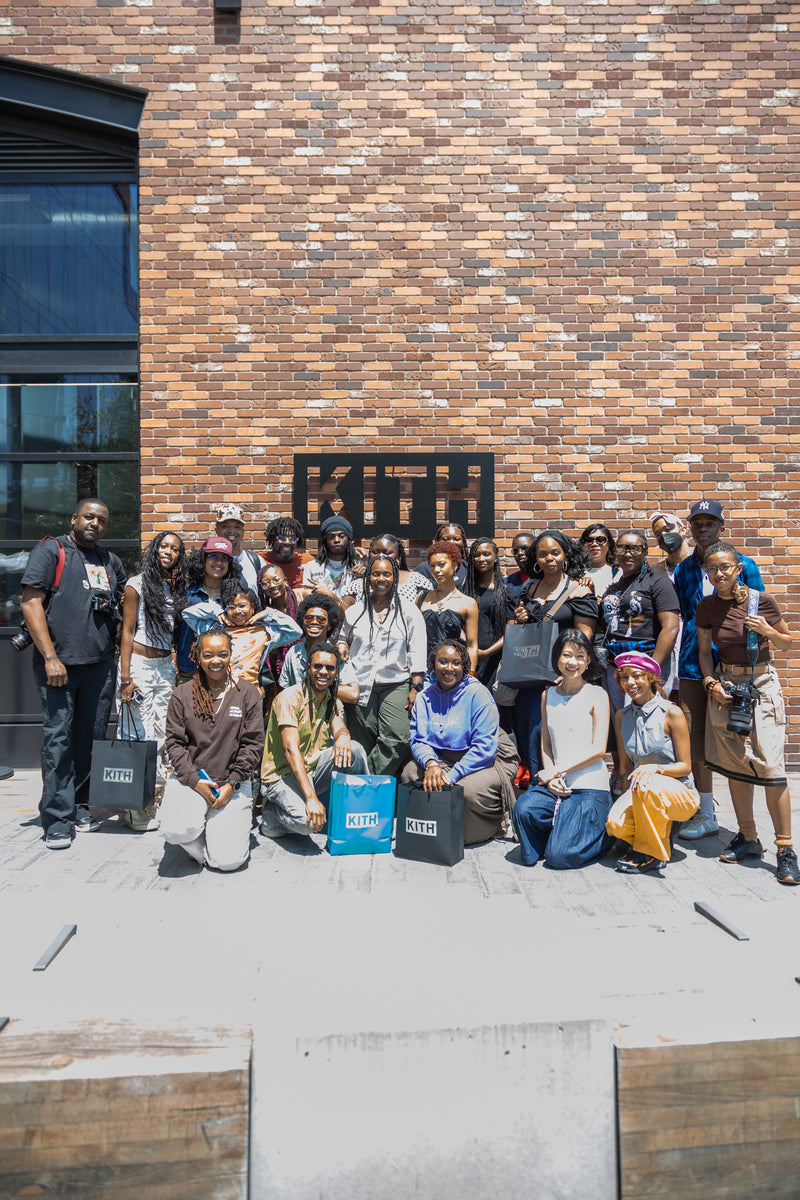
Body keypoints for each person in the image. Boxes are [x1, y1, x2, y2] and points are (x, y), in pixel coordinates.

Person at [20, 499, 127, 848]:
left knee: (89, 739)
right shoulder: (52, 550)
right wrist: (50, 657)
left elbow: (121, 607)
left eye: (102, 520)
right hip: (60, 666)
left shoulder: (109, 561)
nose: (95, 523)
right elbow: (30, 601)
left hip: (99, 666)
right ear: (74, 518)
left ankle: (80, 806)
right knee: (59, 741)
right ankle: (57, 818)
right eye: (89, 517)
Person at [696, 542, 799, 885]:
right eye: (712, 568)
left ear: (738, 568)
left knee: (770, 766)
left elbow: (787, 642)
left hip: (762, 684)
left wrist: (767, 631)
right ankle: (749, 838)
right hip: (727, 686)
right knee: (736, 765)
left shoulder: (761, 601)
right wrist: (711, 683)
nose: (719, 573)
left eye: (725, 567)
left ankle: (785, 849)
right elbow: (704, 652)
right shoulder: (706, 606)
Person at [673, 499, 764, 841]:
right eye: (697, 523)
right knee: (694, 737)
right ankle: (706, 813)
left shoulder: (744, 564)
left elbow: (756, 613)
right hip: (694, 662)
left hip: (734, 663)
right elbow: (688, 615)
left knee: (738, 739)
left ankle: (746, 827)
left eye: (710, 522)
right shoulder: (684, 570)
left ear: (722, 527)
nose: (703, 528)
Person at [161, 628, 263, 870]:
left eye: (222, 654)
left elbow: (253, 744)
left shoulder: (247, 693)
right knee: (175, 830)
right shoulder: (182, 694)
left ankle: (217, 831)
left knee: (228, 862)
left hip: (232, 784)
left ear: (230, 655)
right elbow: (174, 743)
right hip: (191, 780)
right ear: (197, 656)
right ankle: (202, 844)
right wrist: (195, 781)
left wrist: (233, 784)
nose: (215, 660)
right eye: (208, 655)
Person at [402, 640, 519, 845]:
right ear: (432, 664)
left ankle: (494, 823)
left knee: (463, 790)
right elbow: (419, 740)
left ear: (464, 666)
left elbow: (484, 748)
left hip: (487, 760)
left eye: (456, 663)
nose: (449, 668)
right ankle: (434, 824)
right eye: (443, 661)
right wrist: (431, 765)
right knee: (410, 774)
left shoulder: (478, 694)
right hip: (442, 758)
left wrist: (450, 776)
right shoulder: (423, 698)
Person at [512, 629, 612, 868]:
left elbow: (599, 749)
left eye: (580, 656)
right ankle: (560, 830)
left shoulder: (597, 694)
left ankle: (604, 837)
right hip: (558, 784)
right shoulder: (547, 695)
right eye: (566, 655)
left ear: (588, 660)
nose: (572, 662)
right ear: (556, 658)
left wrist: (556, 771)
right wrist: (551, 777)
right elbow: (546, 743)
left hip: (589, 786)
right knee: (523, 809)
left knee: (559, 857)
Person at [259, 641, 369, 840]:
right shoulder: (289, 698)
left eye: (330, 668)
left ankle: (362, 811)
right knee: (308, 823)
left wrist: (343, 736)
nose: (323, 672)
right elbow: (291, 751)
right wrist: (311, 798)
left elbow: (339, 726)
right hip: (282, 775)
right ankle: (271, 815)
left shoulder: (332, 699)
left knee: (355, 750)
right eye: (318, 666)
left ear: (336, 672)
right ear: (308, 668)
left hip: (311, 769)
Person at [511, 530, 598, 777]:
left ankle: (561, 786)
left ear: (565, 554)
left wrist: (569, 671)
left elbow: (584, 635)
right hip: (529, 677)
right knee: (530, 735)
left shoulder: (578, 589)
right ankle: (538, 785)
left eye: (555, 553)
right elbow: (521, 631)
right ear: (536, 559)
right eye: (543, 554)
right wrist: (520, 619)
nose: (549, 558)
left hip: (560, 678)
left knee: (557, 734)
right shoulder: (529, 589)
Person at [117, 531, 188, 832]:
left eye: (175, 549)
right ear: (154, 549)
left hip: (164, 666)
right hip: (139, 665)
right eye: (164, 546)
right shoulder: (136, 584)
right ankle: (134, 806)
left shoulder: (172, 587)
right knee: (136, 733)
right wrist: (125, 677)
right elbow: (127, 631)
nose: (168, 552)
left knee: (161, 734)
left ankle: (153, 799)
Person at [606, 652, 699, 873]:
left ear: (650, 677)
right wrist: (624, 800)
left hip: (678, 793)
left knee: (646, 781)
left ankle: (649, 854)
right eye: (624, 677)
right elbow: (626, 768)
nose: (630, 682)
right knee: (615, 825)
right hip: (640, 790)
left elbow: (685, 766)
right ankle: (660, 833)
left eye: (637, 676)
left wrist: (655, 769)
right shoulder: (621, 716)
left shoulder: (672, 713)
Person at [337, 554, 427, 776]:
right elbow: (342, 638)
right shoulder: (354, 611)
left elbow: (417, 649)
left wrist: (416, 686)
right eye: (376, 574)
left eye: (387, 574)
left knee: (397, 737)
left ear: (394, 577)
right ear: (368, 577)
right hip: (359, 683)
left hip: (396, 683)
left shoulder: (409, 611)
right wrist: (341, 645)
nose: (381, 579)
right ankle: (371, 792)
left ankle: (364, 779)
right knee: (363, 740)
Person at [599, 529, 680, 722]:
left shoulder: (658, 582)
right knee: (621, 722)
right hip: (615, 667)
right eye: (622, 548)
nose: (628, 554)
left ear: (645, 552)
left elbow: (671, 627)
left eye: (635, 549)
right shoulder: (614, 585)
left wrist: (652, 669)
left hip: (646, 664)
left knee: (647, 723)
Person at [180, 581, 301, 690]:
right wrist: (217, 611)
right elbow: (187, 614)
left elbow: (296, 631)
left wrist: (268, 614)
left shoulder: (264, 632)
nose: (237, 611)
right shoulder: (215, 629)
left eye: (242, 606)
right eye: (231, 607)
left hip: (249, 691)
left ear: (252, 607)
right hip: (218, 692)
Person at [175, 537, 242, 684]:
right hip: (189, 672)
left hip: (226, 673)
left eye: (224, 559)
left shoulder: (236, 597)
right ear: (202, 560)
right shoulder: (186, 592)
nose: (219, 562)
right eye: (213, 557)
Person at [279, 592, 360, 703]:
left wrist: (321, 685)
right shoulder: (293, 653)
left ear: (329, 625)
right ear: (303, 622)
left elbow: (353, 694)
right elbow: (284, 690)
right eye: (309, 618)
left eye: (321, 619)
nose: (314, 622)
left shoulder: (336, 653)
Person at [417, 541, 479, 673]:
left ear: (455, 565)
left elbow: (472, 645)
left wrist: (471, 676)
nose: (436, 570)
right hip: (423, 669)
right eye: (432, 566)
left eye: (441, 564)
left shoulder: (468, 603)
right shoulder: (422, 597)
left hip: (452, 670)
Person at [464, 537, 508, 686]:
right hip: (468, 656)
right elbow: (456, 624)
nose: (481, 558)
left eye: (486, 554)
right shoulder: (465, 591)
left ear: (495, 557)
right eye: (476, 555)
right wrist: (471, 647)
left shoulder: (506, 593)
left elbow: (511, 631)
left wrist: (486, 652)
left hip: (495, 660)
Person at [302, 515, 361, 601]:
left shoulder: (359, 566)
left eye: (341, 536)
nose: (336, 540)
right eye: (331, 537)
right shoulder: (312, 567)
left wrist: (364, 576)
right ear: (325, 541)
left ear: (349, 539)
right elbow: (307, 598)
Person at [214, 503, 265, 593]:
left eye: (237, 527)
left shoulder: (256, 562)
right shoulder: (209, 563)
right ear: (216, 530)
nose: (232, 531)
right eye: (226, 526)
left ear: (242, 532)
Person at [261, 517, 313, 592]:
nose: (287, 542)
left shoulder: (307, 561)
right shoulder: (261, 561)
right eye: (282, 538)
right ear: (273, 539)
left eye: (292, 539)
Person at [415, 522, 468, 590]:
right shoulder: (423, 568)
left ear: (463, 542)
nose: (451, 542)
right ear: (438, 541)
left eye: (456, 539)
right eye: (446, 539)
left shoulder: (467, 567)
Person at [579, 523, 620, 599]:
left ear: (609, 544)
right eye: (589, 540)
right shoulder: (575, 573)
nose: (594, 544)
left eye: (600, 540)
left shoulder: (618, 573)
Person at [649, 511, 691, 582]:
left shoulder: (701, 565)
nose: (663, 535)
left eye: (668, 529)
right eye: (658, 534)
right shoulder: (655, 572)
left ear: (683, 530)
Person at [504, 531, 535, 601]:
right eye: (515, 550)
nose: (520, 553)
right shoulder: (506, 583)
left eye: (525, 548)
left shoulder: (546, 579)